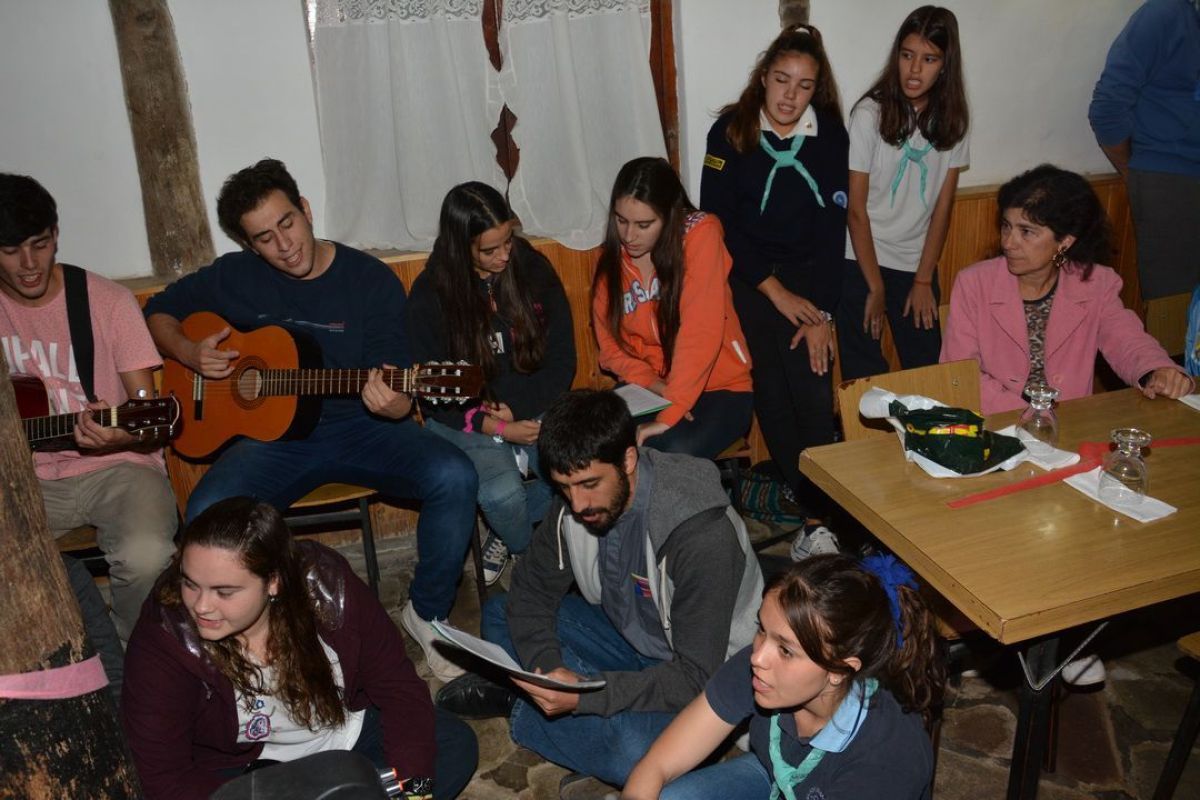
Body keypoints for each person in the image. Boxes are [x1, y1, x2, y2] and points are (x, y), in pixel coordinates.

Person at [143, 159, 478, 681]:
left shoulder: (369, 280)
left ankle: (427, 612)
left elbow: (392, 378)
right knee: (208, 512)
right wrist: (189, 353)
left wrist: (397, 401)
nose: (284, 244)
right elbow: (159, 311)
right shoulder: (235, 277)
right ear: (249, 245)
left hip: (363, 428)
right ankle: (249, 641)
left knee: (455, 475)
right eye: (264, 238)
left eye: (287, 223)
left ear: (305, 208)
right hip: (272, 441)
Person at [434, 389, 764, 789]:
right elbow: (532, 591)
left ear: (628, 459)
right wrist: (547, 673)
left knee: (635, 753)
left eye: (590, 484)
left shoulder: (698, 534)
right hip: (630, 640)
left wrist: (586, 698)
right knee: (500, 613)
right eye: (565, 487)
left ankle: (517, 703)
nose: (577, 504)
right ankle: (553, 705)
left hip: (704, 677)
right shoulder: (576, 493)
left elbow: (696, 677)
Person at [122, 497, 478, 800]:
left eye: (224, 592)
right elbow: (162, 773)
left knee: (452, 746)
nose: (200, 606)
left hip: (343, 736)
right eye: (190, 583)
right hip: (251, 771)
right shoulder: (166, 634)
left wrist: (414, 789)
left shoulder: (329, 586)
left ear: (273, 581)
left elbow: (397, 688)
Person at [0, 172, 177, 643]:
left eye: (39, 244)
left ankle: (134, 661)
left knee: (147, 555)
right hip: (22, 475)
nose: (28, 263)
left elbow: (150, 417)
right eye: (10, 250)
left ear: (56, 236)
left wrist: (127, 433)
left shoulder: (108, 302)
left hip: (119, 464)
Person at [623, 554, 943, 800]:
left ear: (837, 671)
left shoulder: (886, 759)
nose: (758, 656)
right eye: (762, 629)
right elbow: (657, 765)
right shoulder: (764, 670)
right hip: (777, 777)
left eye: (786, 651)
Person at [699, 25, 847, 551]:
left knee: (811, 393)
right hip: (751, 279)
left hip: (811, 279)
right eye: (781, 79)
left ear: (816, 90)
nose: (790, 95)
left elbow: (835, 229)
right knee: (771, 399)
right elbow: (720, 224)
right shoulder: (729, 132)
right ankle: (816, 516)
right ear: (763, 78)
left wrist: (822, 316)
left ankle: (824, 517)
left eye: (804, 85)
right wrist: (775, 292)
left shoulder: (829, 132)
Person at [407, 182, 575, 586]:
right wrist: (496, 425)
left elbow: (563, 362)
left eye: (508, 242)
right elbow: (433, 397)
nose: (504, 256)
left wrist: (515, 408)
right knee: (502, 495)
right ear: (460, 246)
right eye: (489, 249)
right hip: (466, 417)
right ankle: (527, 549)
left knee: (572, 468)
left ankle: (513, 530)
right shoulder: (430, 295)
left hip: (531, 402)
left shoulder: (532, 269)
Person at [941, 164, 1193, 416]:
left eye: (1026, 232)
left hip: (1071, 422)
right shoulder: (974, 283)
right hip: (997, 421)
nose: (1008, 242)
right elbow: (961, 373)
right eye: (1007, 226)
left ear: (1064, 241)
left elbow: (1125, 339)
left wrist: (1156, 369)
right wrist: (1032, 416)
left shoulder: (1096, 284)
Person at [836, 5, 969, 379]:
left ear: (945, 64)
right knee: (865, 378)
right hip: (859, 259)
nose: (914, 70)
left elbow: (943, 205)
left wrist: (924, 278)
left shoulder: (954, 118)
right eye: (907, 55)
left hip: (915, 263)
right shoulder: (869, 113)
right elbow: (855, 210)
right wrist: (874, 286)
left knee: (929, 373)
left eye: (929, 59)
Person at [592, 157, 752, 459]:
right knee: (595, 438)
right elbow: (610, 349)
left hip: (720, 387)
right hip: (649, 387)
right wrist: (657, 387)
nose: (629, 236)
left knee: (666, 450)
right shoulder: (611, 262)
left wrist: (674, 407)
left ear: (671, 216)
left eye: (644, 225)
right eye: (621, 220)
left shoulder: (700, 236)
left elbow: (700, 332)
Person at [1088, 0, 1200, 302]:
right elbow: (1107, 109)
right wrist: (1133, 171)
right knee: (1178, 317)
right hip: (1173, 181)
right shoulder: (1166, 13)